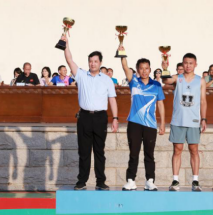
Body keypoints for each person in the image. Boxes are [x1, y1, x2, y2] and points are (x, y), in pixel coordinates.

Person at [62, 34, 118, 191]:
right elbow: (69, 60)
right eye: (90, 61)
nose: (93, 64)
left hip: (100, 117)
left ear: (100, 63)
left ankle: (100, 181)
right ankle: (82, 181)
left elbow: (112, 99)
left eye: (95, 61)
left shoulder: (107, 79)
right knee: (84, 151)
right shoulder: (81, 75)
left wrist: (115, 118)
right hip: (85, 117)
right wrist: (66, 44)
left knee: (99, 151)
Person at [119, 48, 166, 191]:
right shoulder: (133, 81)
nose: (144, 71)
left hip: (150, 125)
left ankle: (149, 181)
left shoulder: (156, 85)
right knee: (133, 153)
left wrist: (163, 124)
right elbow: (125, 66)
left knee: (149, 154)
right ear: (138, 70)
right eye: (141, 68)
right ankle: (131, 180)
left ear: (150, 69)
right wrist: (122, 53)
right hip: (134, 123)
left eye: (146, 68)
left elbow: (160, 104)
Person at [162, 53, 207, 192]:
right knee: (177, 149)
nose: (188, 65)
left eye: (191, 63)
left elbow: (203, 101)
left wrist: (203, 119)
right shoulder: (178, 78)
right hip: (178, 119)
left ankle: (195, 180)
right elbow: (166, 81)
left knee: (194, 150)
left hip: (193, 120)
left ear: (195, 64)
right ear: (182, 64)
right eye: (186, 63)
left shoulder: (200, 81)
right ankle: (175, 180)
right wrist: (165, 68)